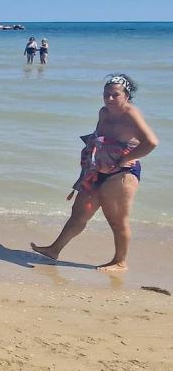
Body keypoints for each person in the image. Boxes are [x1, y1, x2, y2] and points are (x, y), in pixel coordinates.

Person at [32, 74, 158, 271]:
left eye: (115, 95)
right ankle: (54, 250)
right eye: (106, 94)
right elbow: (97, 138)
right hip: (98, 170)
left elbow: (151, 142)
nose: (109, 99)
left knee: (117, 220)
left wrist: (123, 160)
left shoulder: (131, 114)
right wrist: (88, 165)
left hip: (123, 173)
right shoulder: (104, 112)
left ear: (126, 95)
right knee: (79, 213)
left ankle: (120, 262)